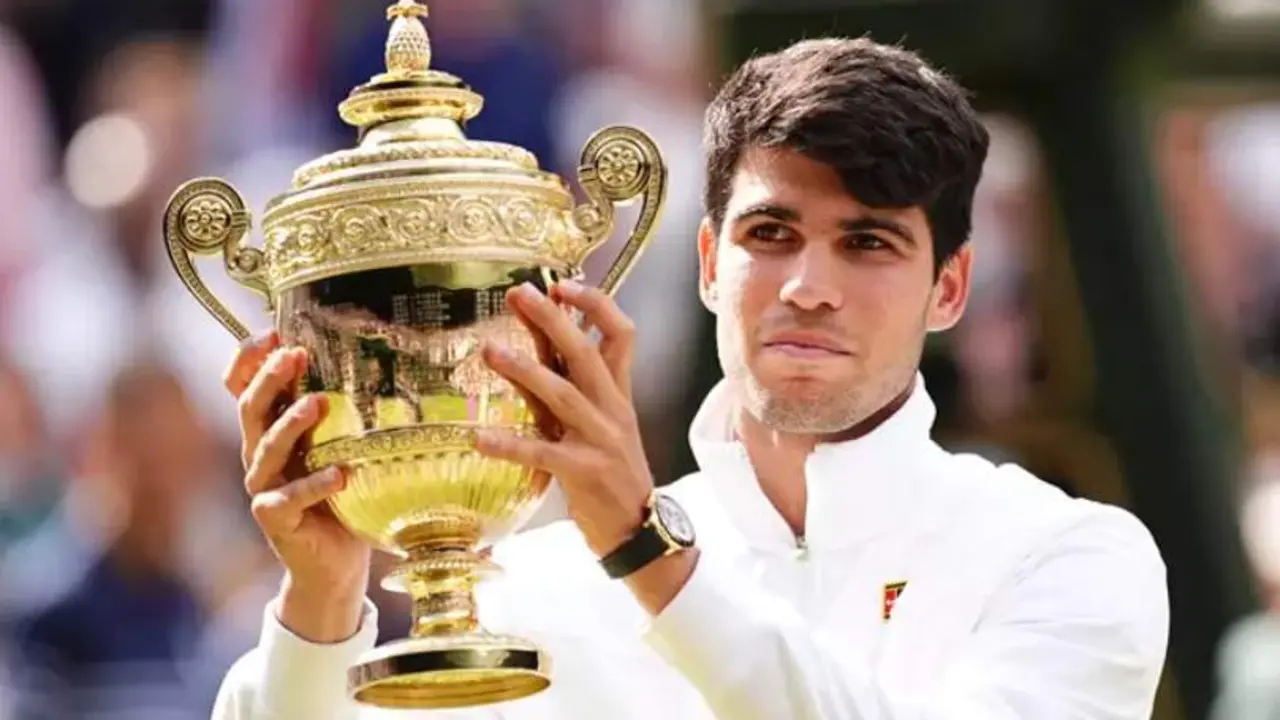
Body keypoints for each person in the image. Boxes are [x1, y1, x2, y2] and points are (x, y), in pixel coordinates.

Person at [212, 37, 1169, 719]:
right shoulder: (532, 596)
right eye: (771, 234)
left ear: (949, 288)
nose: (807, 287)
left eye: (868, 243)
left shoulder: (1066, 557)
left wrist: (644, 551)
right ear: (709, 262)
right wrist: (322, 605)